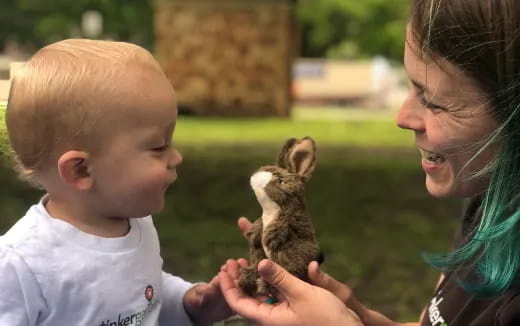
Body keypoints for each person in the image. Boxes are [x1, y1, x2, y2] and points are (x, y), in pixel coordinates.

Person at [218, 0, 520, 325]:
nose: (402, 118)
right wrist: (355, 315)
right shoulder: (490, 204)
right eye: (411, 86)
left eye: (433, 102)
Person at [0, 39, 232, 325]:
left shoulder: (135, 225)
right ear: (82, 170)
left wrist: (191, 303)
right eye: (159, 147)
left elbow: (144, 295)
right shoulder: (21, 264)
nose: (176, 158)